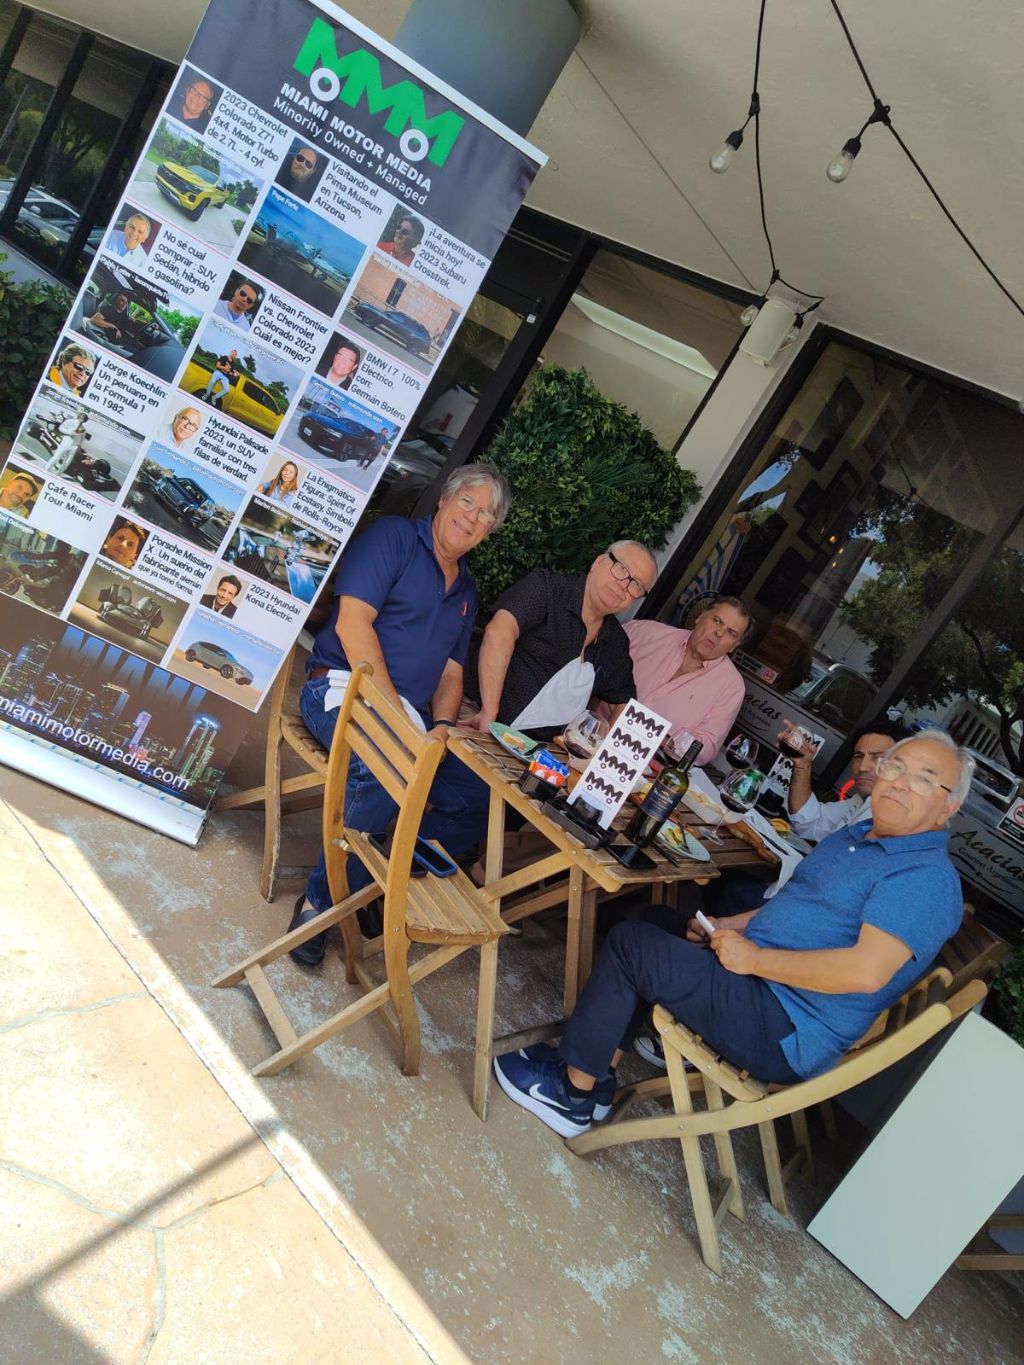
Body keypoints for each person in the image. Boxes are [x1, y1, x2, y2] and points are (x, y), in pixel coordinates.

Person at [493, 731, 971, 1136]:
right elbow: (791, 908)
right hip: (761, 985)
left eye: (924, 778)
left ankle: (570, 1095)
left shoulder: (924, 878)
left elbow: (865, 972)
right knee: (653, 921)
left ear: (948, 807)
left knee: (634, 948)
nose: (900, 782)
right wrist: (726, 927)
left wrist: (754, 959)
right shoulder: (856, 837)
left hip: (784, 1025)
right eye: (895, 767)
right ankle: (595, 1076)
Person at [287, 463, 511, 966]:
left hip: (409, 718)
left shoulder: (466, 591)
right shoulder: (394, 538)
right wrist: (393, 716)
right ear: (444, 499)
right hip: (339, 687)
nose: (473, 518)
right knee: (384, 762)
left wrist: (442, 728)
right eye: (468, 503)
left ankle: (372, 881)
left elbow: (452, 673)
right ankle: (322, 903)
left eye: (486, 515)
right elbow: (352, 625)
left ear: (489, 531)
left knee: (476, 794)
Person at [463, 541, 656, 739]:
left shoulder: (615, 642)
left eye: (636, 585)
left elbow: (626, 704)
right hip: (477, 714)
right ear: (598, 562)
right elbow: (499, 632)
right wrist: (489, 713)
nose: (623, 586)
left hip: (536, 748)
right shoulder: (546, 588)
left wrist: (605, 751)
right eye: (621, 569)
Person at [614, 598, 750, 764]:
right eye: (717, 621)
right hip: (591, 734)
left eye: (731, 633)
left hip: (645, 764)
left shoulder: (732, 687)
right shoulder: (644, 632)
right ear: (700, 617)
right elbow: (593, 662)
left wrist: (654, 735)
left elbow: (705, 748)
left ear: (734, 646)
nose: (719, 633)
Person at [786, 717, 908, 841]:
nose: (862, 767)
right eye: (859, 756)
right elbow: (810, 823)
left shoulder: (900, 825)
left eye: (877, 758)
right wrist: (802, 765)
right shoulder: (859, 803)